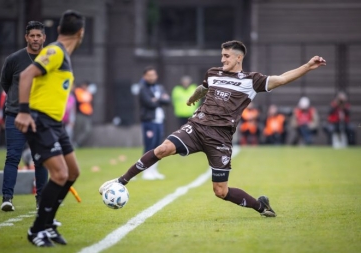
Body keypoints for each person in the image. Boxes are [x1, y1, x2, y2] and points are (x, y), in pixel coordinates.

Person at [99, 40, 326, 218]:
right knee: (162, 149)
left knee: (221, 192)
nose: (222, 59)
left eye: (226, 56)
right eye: (222, 55)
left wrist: (308, 66)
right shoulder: (213, 72)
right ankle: (121, 181)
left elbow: (282, 78)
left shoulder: (252, 80)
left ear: (239, 57)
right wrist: (192, 98)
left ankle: (260, 205)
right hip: (196, 128)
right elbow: (203, 88)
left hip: (220, 139)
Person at [14, 10, 84, 247]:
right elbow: (26, 75)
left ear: (58, 30)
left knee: (72, 172)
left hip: (55, 123)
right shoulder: (54, 51)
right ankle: (36, 230)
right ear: (81, 33)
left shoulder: (63, 54)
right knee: (60, 174)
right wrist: (23, 111)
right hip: (40, 120)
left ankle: (49, 224)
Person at [0, 21, 49, 212]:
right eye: (32, 36)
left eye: (39, 36)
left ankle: (41, 200)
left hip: (40, 117)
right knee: (12, 157)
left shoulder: (49, 59)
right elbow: (6, 83)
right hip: (15, 115)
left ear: (44, 38)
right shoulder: (14, 59)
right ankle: (7, 198)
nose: (35, 39)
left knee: (40, 159)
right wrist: (18, 103)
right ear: (26, 37)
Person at [138, 66, 170, 180]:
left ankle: (154, 170)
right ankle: (145, 171)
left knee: (158, 147)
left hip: (159, 121)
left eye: (153, 75)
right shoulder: (142, 88)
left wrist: (157, 100)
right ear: (144, 76)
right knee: (149, 146)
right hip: (149, 121)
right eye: (149, 75)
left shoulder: (159, 87)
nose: (152, 77)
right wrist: (160, 99)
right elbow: (149, 103)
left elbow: (168, 100)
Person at [73, 81, 93, 147]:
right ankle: (74, 143)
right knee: (77, 129)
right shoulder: (78, 91)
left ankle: (78, 143)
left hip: (87, 115)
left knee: (87, 130)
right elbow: (81, 100)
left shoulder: (88, 93)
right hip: (79, 114)